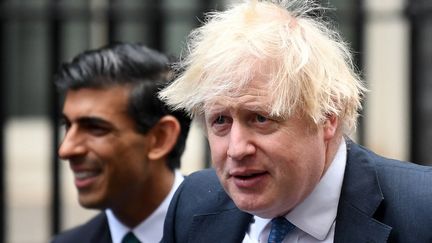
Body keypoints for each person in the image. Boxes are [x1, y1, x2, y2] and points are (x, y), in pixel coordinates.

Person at [158, 0, 432, 242]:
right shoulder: (191, 204)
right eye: (220, 120)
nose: (236, 149)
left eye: (260, 118)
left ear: (327, 117)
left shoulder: (422, 211)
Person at [50, 43, 191, 243]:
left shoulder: (237, 229)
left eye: (95, 128)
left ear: (160, 138)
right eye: (67, 125)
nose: (66, 149)